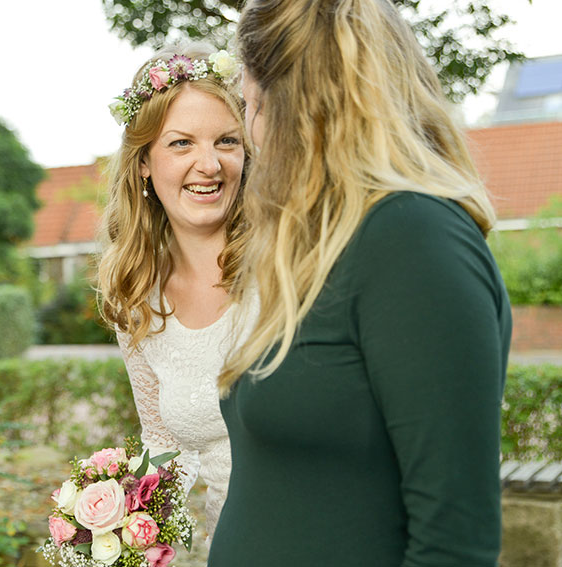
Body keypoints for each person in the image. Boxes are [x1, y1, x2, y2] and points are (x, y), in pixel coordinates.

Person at [209, 1, 512, 566]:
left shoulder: (412, 239)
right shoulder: (324, 247)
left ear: (298, 107)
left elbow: (454, 541)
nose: (251, 133)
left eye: (251, 104)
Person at [97, 42, 255, 541]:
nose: (209, 165)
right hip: (230, 541)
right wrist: (112, 533)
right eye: (182, 143)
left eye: (227, 141)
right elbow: (166, 443)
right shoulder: (134, 296)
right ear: (144, 161)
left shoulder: (288, 266)